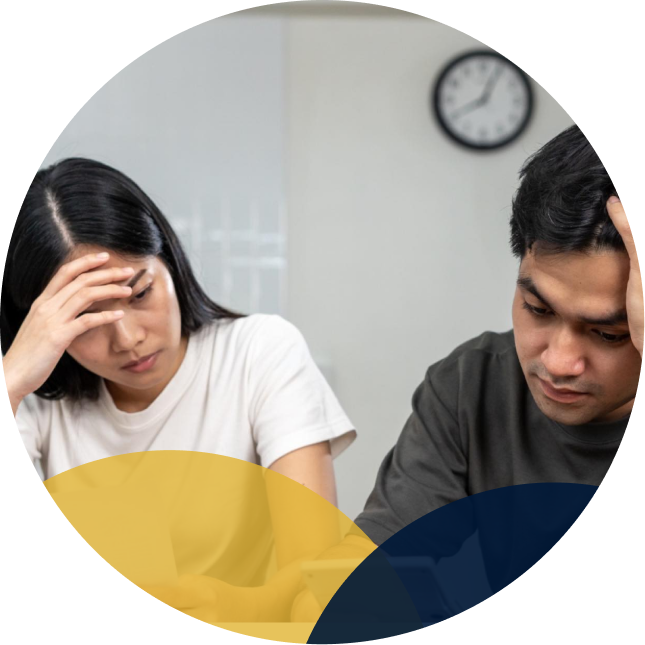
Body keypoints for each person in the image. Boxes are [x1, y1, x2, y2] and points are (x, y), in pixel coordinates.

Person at [291, 124, 642, 621]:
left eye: (608, 334)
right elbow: (379, 560)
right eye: (537, 309)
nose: (558, 362)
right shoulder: (471, 385)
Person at [1, 157, 356, 622]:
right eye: (86, 319)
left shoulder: (260, 352)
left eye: (140, 294)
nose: (127, 339)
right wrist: (13, 377)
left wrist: (236, 605)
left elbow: (315, 573)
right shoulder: (33, 399)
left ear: (168, 260)